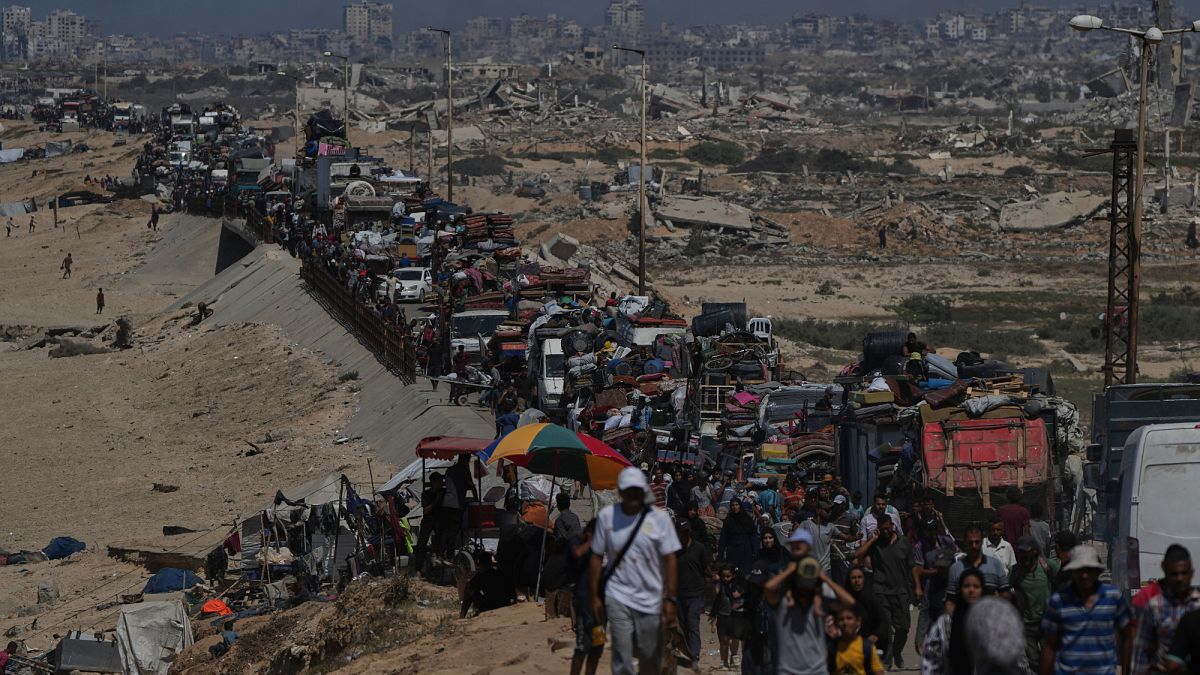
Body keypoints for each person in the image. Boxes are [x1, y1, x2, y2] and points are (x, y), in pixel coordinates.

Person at [589, 466, 680, 675]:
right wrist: (594, 596)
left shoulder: (660, 519)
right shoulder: (607, 517)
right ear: (620, 492)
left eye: (636, 490)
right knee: (621, 654)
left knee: (648, 655)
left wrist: (671, 599)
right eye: (627, 490)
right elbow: (596, 556)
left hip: (650, 598)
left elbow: (670, 560)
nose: (632, 495)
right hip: (618, 596)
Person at [764, 541, 857, 675]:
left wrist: (825, 579)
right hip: (789, 670)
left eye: (809, 585)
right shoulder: (784, 604)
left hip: (817, 670)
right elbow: (768, 588)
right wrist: (790, 571)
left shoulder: (820, 604)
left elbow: (849, 602)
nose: (805, 589)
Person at [1041, 545, 1133, 675]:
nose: (1084, 575)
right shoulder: (1058, 601)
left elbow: (1128, 635)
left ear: (1097, 571)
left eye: (1089, 570)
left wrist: (1126, 671)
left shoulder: (1113, 597)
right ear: (1072, 572)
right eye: (1079, 570)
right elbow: (1050, 646)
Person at [854, 514, 913, 669]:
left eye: (888, 528)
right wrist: (872, 539)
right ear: (878, 529)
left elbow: (912, 567)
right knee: (886, 628)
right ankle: (887, 659)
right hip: (881, 591)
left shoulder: (904, 542)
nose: (886, 531)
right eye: (883, 529)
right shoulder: (875, 543)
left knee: (903, 628)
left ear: (892, 526)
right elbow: (857, 556)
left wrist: (916, 588)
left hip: (900, 591)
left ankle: (897, 651)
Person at [1133, 545, 1200, 675]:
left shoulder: (1198, 604)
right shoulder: (1155, 606)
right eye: (1174, 574)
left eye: (1184, 573)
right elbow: (1142, 650)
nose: (1179, 579)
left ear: (1191, 573)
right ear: (1165, 572)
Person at [921, 568, 987, 675]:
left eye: (976, 586)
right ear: (960, 590)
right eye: (966, 586)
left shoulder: (992, 622)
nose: (971, 590)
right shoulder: (945, 623)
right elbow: (930, 659)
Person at [1011, 535, 1060, 670]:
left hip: (1046, 621)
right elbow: (1005, 590)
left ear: (1034, 551)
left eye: (1026, 551)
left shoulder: (1046, 565)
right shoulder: (1015, 571)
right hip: (1026, 624)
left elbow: (1062, 578)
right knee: (1033, 660)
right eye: (1021, 552)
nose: (1023, 555)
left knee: (1048, 657)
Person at [912, 516, 957, 654]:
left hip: (949, 581)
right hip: (931, 582)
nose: (931, 533)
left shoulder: (946, 541)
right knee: (926, 611)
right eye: (928, 530)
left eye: (934, 529)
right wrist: (919, 586)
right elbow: (918, 570)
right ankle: (924, 641)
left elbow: (958, 555)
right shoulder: (920, 546)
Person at [569, 520, 603, 675]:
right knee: (582, 646)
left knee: (597, 647)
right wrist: (593, 542)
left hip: (601, 605)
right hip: (584, 602)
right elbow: (576, 554)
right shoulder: (577, 541)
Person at [675, 521, 710, 666]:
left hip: (696, 592)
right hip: (679, 593)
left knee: (692, 622)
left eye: (685, 532)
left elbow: (706, 567)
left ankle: (694, 654)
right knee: (683, 625)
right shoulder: (675, 550)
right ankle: (686, 652)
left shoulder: (699, 548)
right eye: (680, 532)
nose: (683, 535)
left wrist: (713, 579)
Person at [946, 524, 1011, 601]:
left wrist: (995, 597)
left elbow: (1006, 593)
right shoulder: (955, 568)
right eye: (970, 542)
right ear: (965, 542)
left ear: (982, 542)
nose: (974, 546)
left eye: (977, 542)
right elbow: (950, 600)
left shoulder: (995, 564)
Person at [831, 601, 886, 675]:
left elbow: (878, 671)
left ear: (858, 621)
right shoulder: (832, 647)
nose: (845, 622)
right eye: (841, 619)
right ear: (836, 623)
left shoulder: (867, 647)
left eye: (849, 618)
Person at [440, 454, 479, 556]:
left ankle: (440, 553)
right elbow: (472, 486)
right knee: (454, 531)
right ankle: (450, 555)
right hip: (457, 505)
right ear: (465, 460)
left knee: (446, 530)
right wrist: (476, 500)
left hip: (446, 504)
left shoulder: (449, 470)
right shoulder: (464, 471)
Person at [846, 564, 890, 648]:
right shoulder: (845, 600)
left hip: (871, 642)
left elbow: (884, 622)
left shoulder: (871, 598)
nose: (857, 580)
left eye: (859, 577)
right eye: (853, 578)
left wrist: (875, 635)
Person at [711, 564, 745, 669]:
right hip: (723, 616)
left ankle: (734, 656)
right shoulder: (720, 586)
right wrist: (715, 581)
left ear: (733, 576)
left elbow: (741, 595)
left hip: (735, 616)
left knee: (735, 638)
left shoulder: (737, 586)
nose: (726, 579)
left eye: (728, 576)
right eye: (723, 576)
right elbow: (716, 594)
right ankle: (724, 661)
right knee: (724, 641)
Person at [461, 552, 513, 617]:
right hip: (505, 604)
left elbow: (470, 586)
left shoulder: (481, 575)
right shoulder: (499, 573)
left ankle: (462, 616)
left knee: (468, 588)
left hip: (490, 607)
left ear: (481, 564)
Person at [413, 472, 446, 571]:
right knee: (421, 544)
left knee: (441, 542)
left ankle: (439, 562)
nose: (441, 483)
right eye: (439, 481)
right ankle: (419, 568)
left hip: (440, 521)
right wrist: (436, 500)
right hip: (428, 521)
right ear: (433, 482)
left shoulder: (444, 493)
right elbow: (426, 510)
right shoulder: (426, 494)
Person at [799, 500, 843, 573]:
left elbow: (845, 537)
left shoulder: (830, 526)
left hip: (826, 570)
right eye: (826, 510)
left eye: (830, 510)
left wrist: (856, 537)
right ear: (818, 511)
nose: (829, 513)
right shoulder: (805, 524)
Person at [718, 499, 759, 573]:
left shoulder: (747, 519)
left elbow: (753, 536)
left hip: (745, 549)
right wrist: (720, 554)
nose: (735, 507)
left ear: (740, 506)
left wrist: (755, 552)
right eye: (733, 505)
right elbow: (723, 538)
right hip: (732, 550)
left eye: (736, 505)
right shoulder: (728, 520)